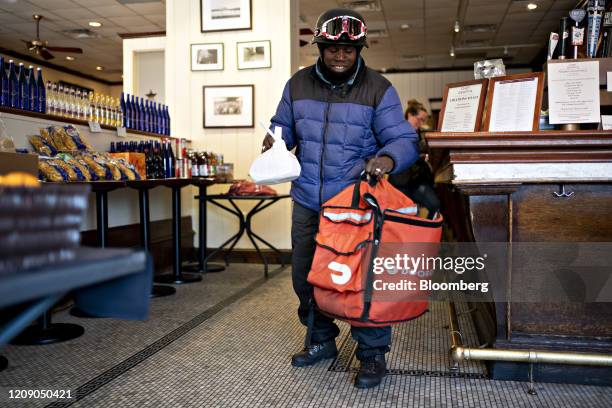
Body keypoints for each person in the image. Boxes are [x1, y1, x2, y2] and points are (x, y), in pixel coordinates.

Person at [261, 8, 419, 389]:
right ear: (319, 45)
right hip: (308, 201)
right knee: (306, 277)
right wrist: (274, 141)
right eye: (333, 48)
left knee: (362, 280)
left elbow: (405, 140)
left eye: (349, 48)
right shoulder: (296, 85)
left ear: (360, 48)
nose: (340, 56)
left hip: (354, 204)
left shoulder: (378, 88)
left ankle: (372, 355)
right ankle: (320, 341)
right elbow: (281, 128)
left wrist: (386, 158)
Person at [388, 99, 440, 218]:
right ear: (410, 115)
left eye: (424, 120)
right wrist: (421, 156)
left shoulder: (419, 133)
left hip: (416, 180)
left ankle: (428, 232)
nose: (421, 123)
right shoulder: (398, 132)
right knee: (407, 214)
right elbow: (403, 152)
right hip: (400, 181)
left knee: (434, 205)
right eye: (420, 119)